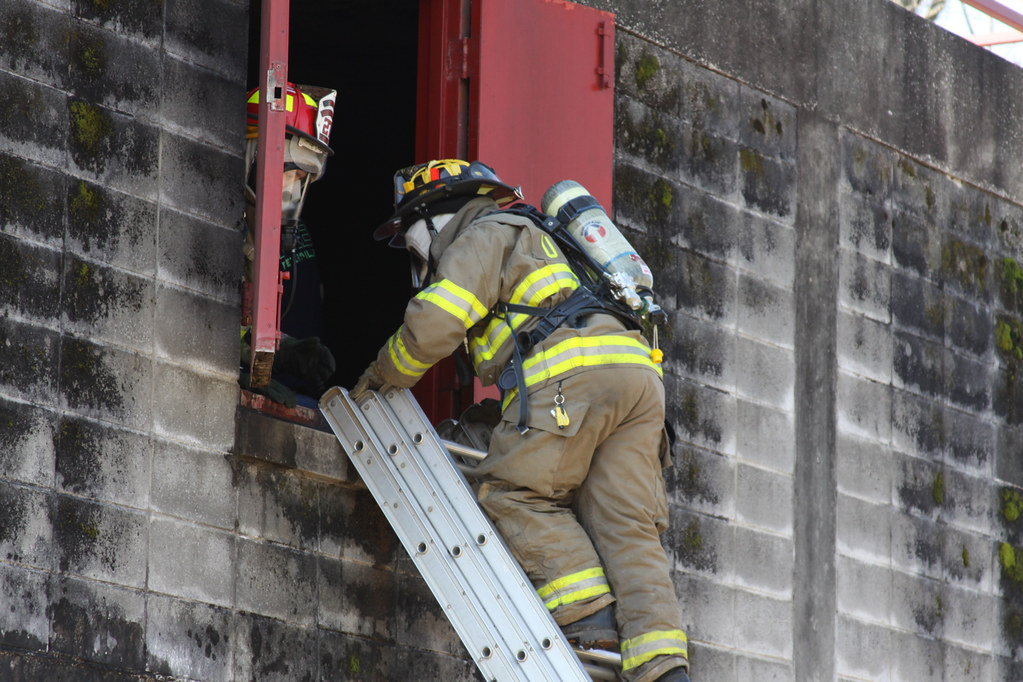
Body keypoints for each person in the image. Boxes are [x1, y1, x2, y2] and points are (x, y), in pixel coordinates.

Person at [353, 159, 691, 682]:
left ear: (433, 218)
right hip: (639, 382)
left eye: (412, 239)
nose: (416, 257)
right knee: (627, 527)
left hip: (573, 380)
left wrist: (376, 382)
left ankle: (590, 623)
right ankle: (665, 668)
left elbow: (434, 325)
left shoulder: (484, 233)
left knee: (512, 492)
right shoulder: (544, 237)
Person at [240, 82, 337, 407]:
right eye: (287, 173)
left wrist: (285, 353)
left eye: (300, 181)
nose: (291, 192)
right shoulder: (220, 226)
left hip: (295, 394)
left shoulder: (287, 228)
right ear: (251, 158)